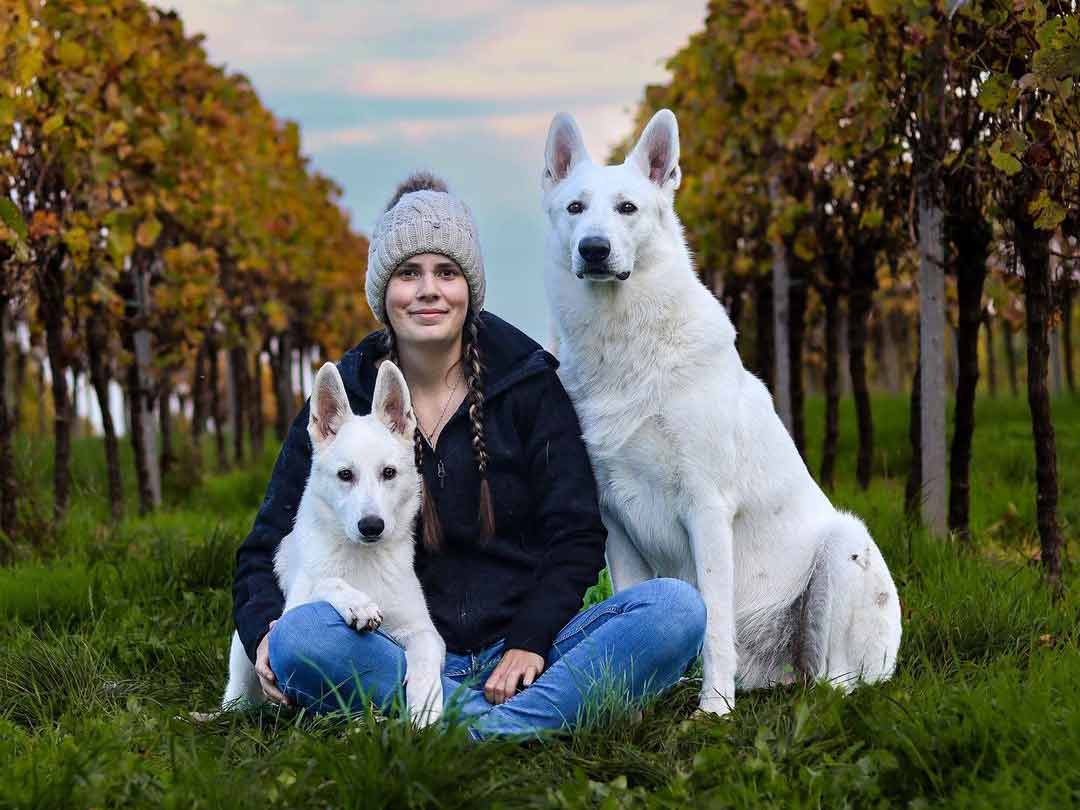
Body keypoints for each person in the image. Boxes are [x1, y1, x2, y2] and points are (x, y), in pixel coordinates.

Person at [231, 171, 707, 740]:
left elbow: (577, 533)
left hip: (527, 656)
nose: (428, 289)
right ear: (384, 290)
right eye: (408, 272)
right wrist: (263, 634)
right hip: (388, 652)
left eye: (446, 272)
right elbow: (265, 547)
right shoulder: (347, 400)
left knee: (676, 610)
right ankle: (516, 727)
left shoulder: (527, 384)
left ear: (469, 287)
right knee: (299, 639)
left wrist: (530, 641)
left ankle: (456, 728)